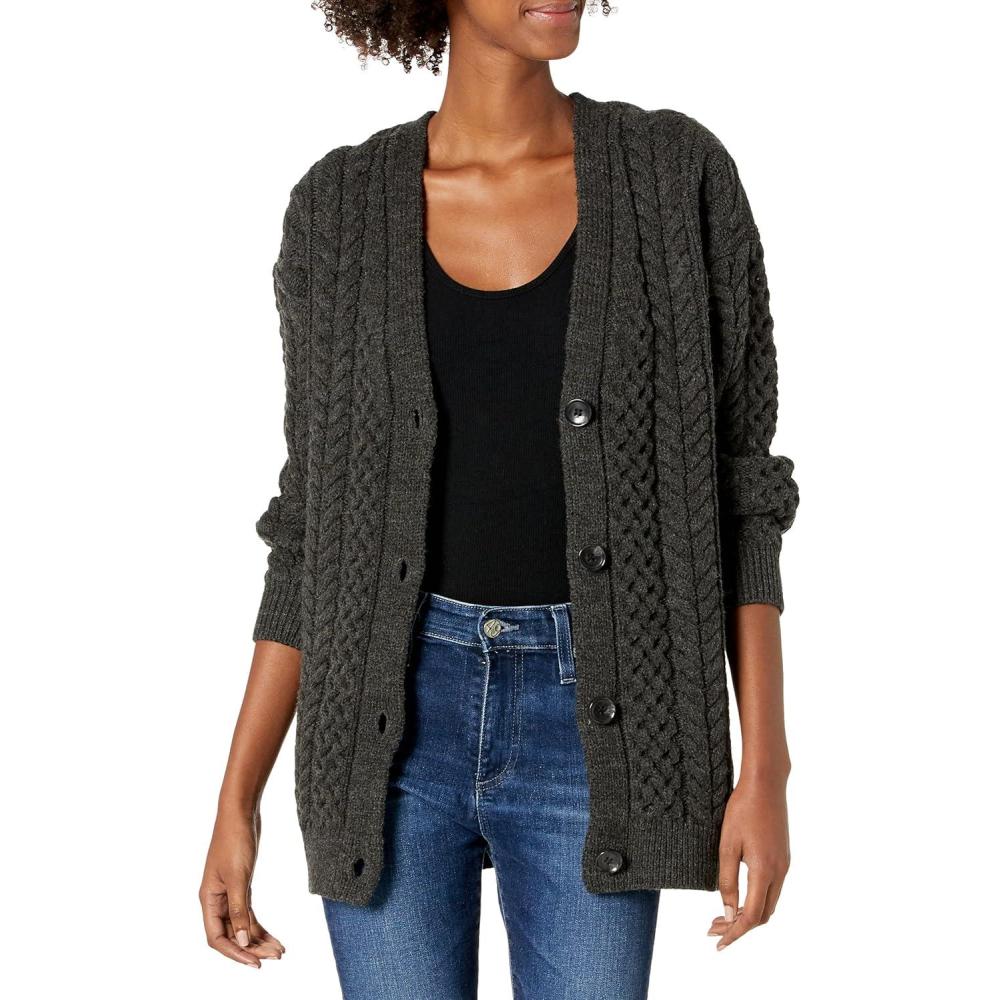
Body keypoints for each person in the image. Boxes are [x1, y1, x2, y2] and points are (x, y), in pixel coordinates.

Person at [199, 2, 800, 997]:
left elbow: (743, 496)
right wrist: (238, 799)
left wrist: (765, 768)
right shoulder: (338, 209)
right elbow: (312, 528)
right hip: (385, 734)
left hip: (600, 730)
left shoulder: (673, 176)